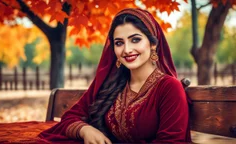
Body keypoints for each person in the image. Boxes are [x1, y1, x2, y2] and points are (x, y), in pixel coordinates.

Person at [38, 8, 191, 143]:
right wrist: (85, 130)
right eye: (119, 43)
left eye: (135, 40)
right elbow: (70, 118)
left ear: (153, 44)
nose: (127, 50)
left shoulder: (169, 87)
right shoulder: (111, 84)